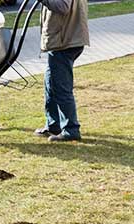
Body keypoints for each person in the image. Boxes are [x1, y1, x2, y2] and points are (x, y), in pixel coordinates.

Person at [35, 0, 89, 142]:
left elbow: (63, 7)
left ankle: (71, 130)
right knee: (50, 83)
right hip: (64, 39)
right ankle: (54, 125)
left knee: (61, 88)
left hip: (65, 42)